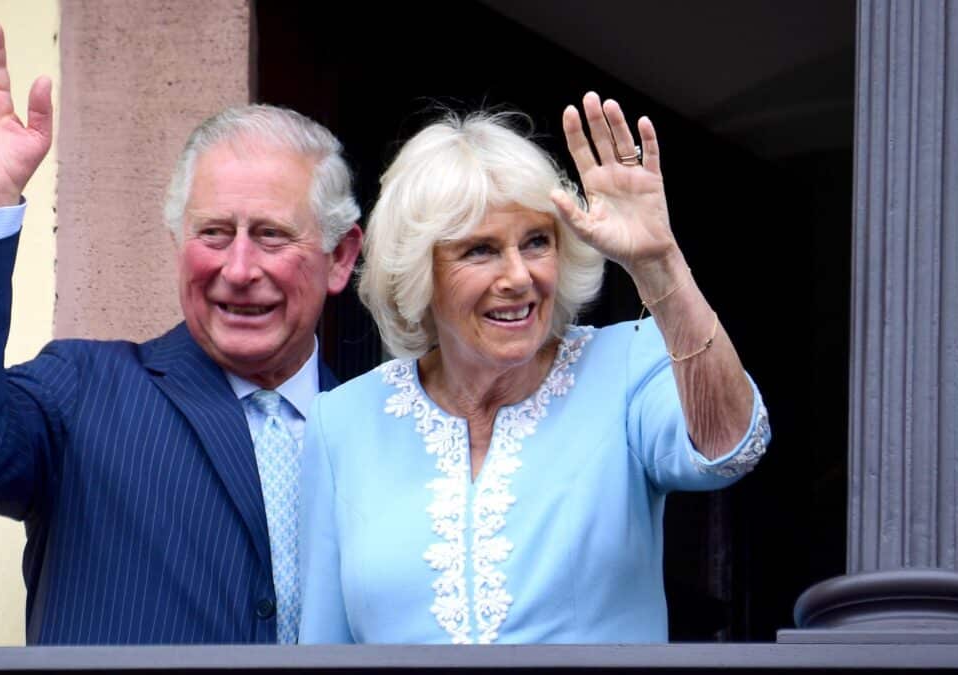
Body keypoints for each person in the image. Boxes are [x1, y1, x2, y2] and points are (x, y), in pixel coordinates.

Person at [0, 20, 362, 644]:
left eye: (273, 235)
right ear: (178, 244)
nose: (240, 269)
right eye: (213, 233)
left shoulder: (379, 432)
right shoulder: (83, 392)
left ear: (340, 257)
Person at [297, 93, 770, 644]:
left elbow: (731, 446)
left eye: (536, 242)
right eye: (480, 250)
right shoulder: (341, 422)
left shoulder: (626, 365)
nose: (518, 276)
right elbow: (323, 650)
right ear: (419, 271)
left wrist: (658, 265)